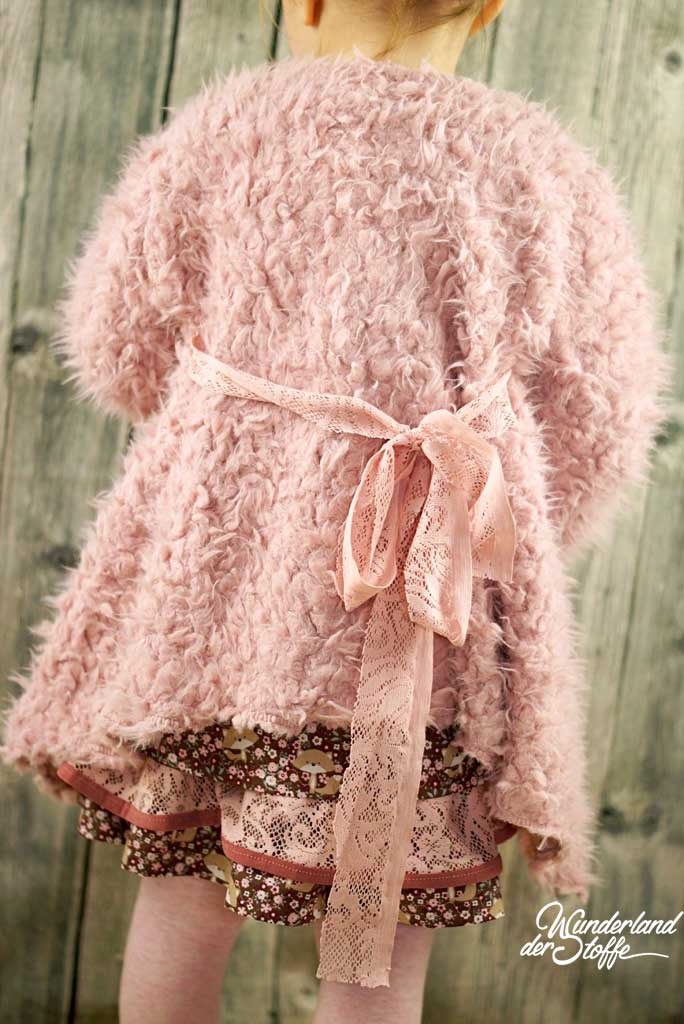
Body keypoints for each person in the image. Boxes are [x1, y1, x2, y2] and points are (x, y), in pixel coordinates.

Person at [0, 0, 672, 1022]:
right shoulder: (543, 167)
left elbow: (116, 346)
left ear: (304, 3)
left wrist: (243, 448)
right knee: (378, 933)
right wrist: (482, 541)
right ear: (489, 7)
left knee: (184, 900)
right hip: (425, 624)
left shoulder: (222, 130)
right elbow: (603, 418)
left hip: (218, 615)